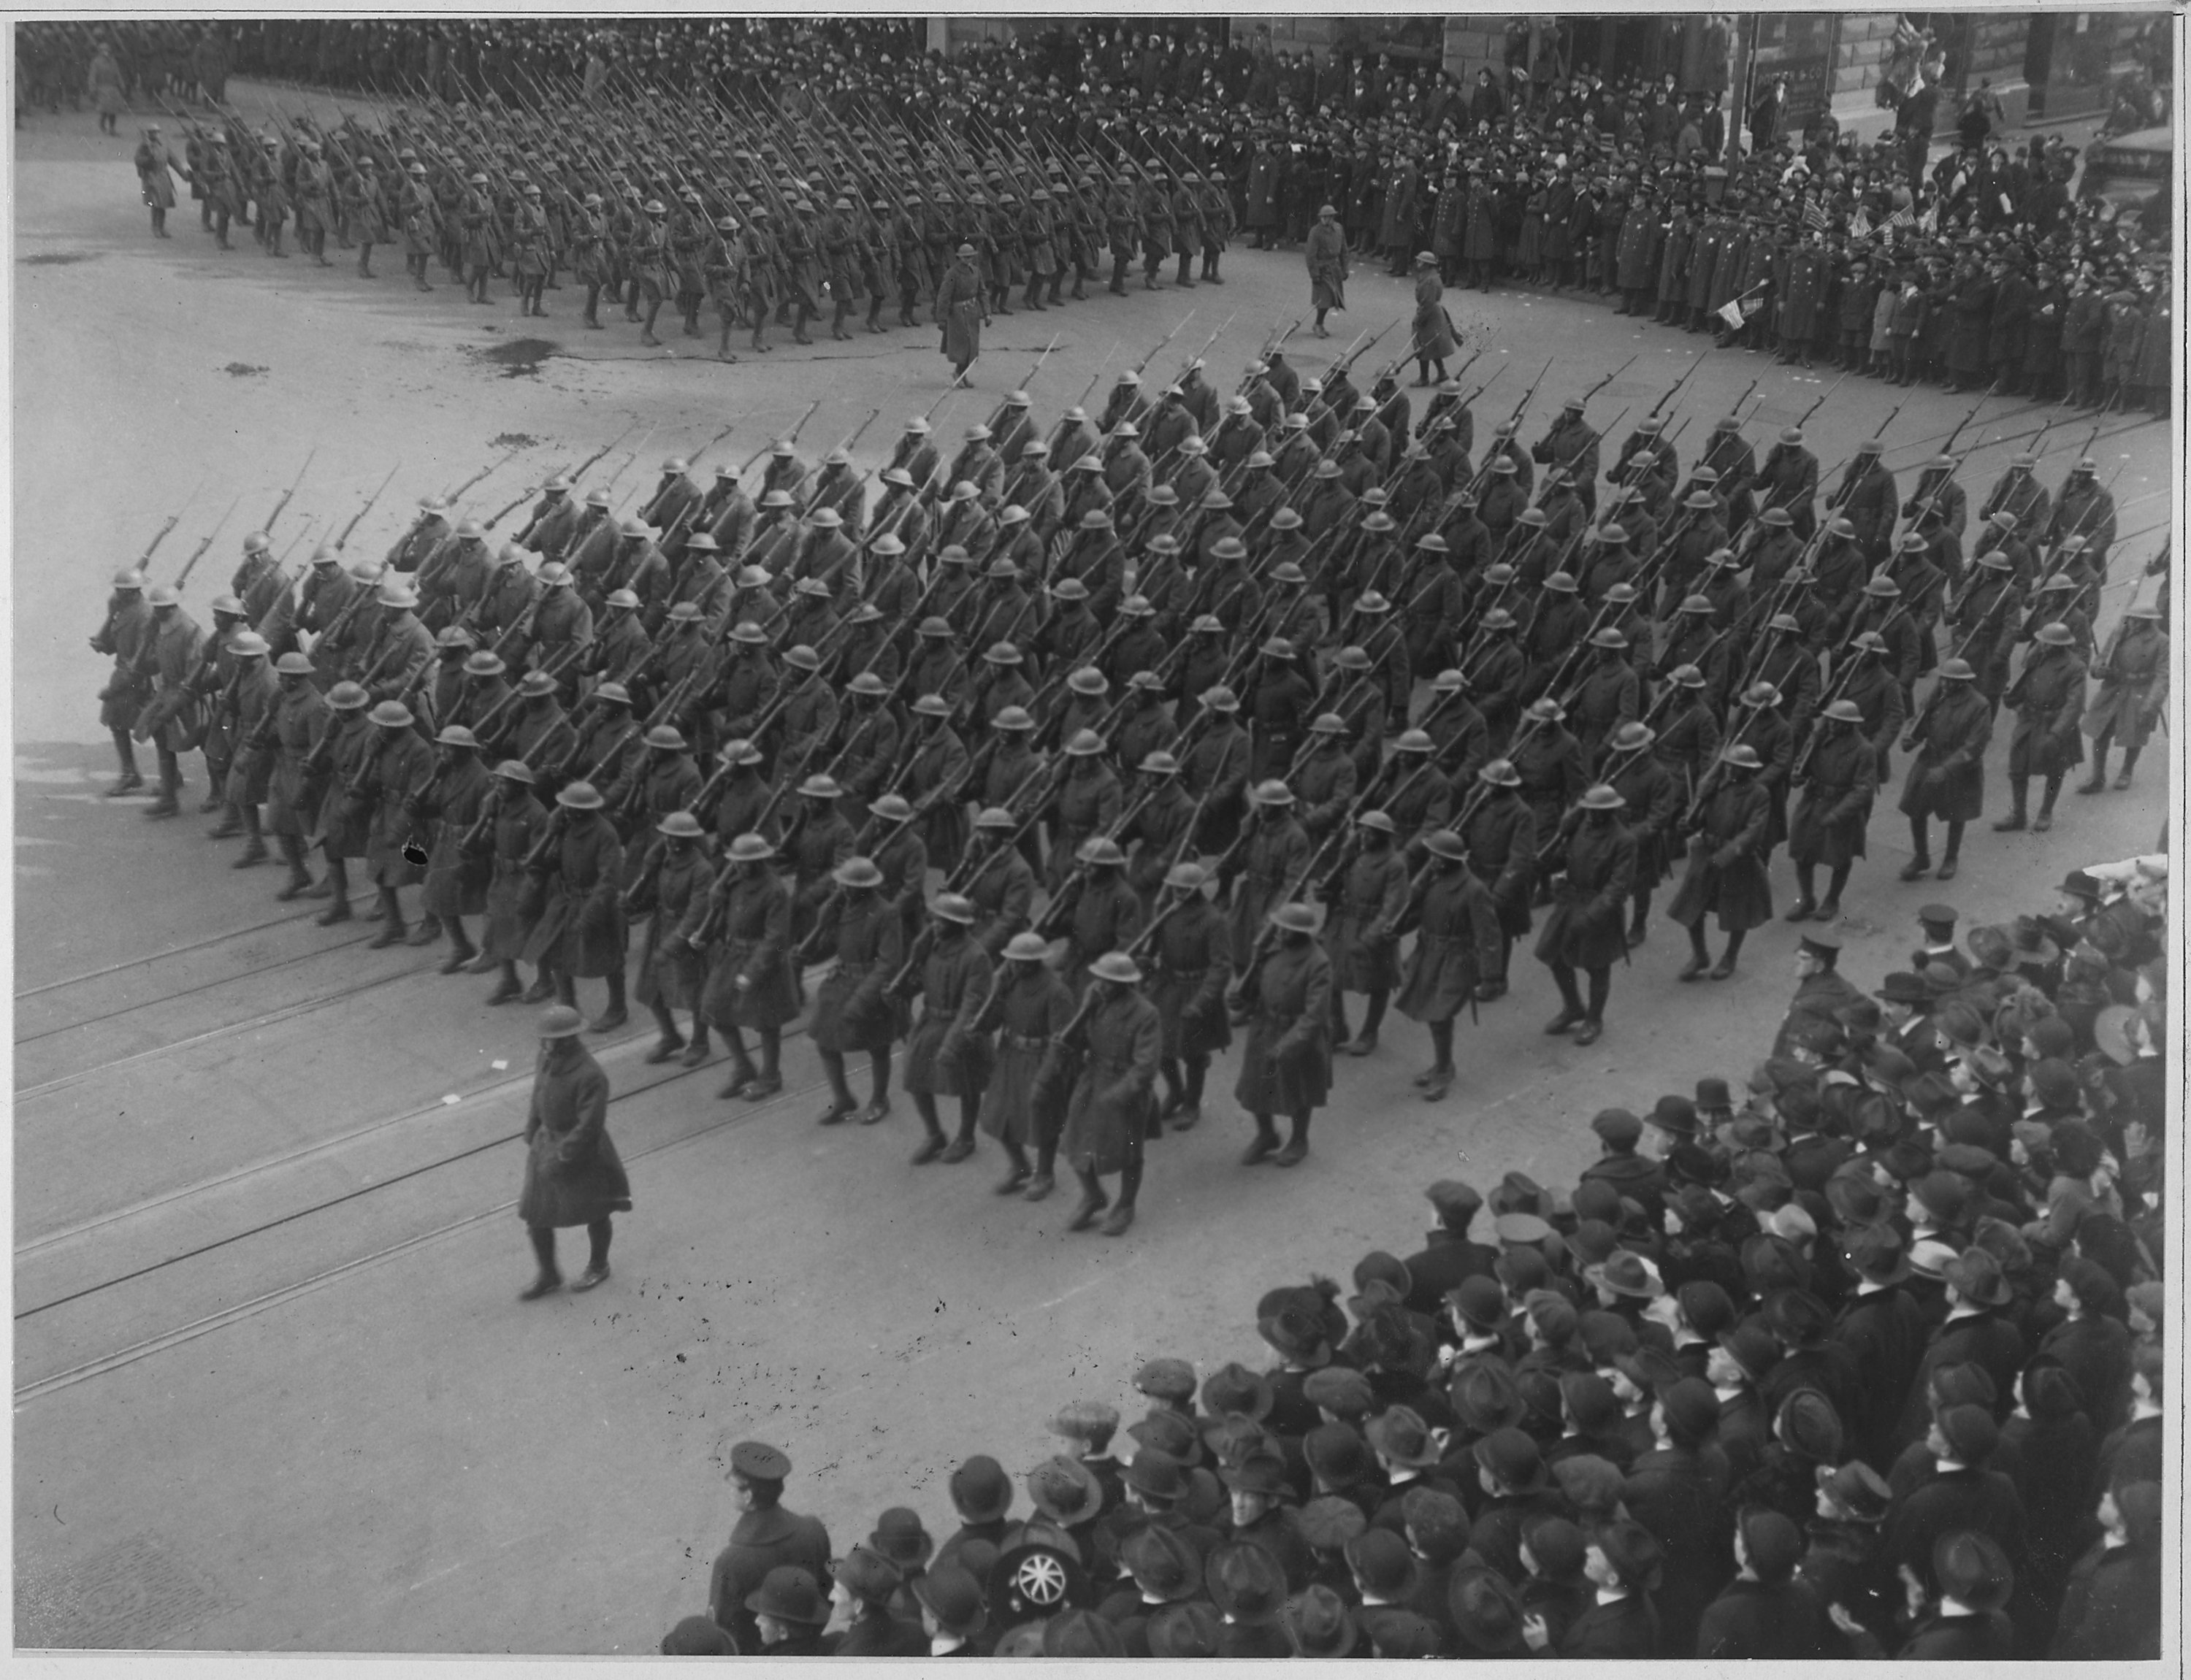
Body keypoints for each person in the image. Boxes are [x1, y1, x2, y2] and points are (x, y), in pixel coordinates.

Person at [516, 1002, 631, 1299]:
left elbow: (588, 1126)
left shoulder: (590, 1075)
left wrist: (562, 1156)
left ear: (566, 1040)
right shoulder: (545, 1057)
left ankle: (599, 1265)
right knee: (536, 1214)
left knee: (597, 1212)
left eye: (549, 1038)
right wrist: (532, 1128)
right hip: (547, 1143)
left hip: (582, 1153)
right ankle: (549, 1274)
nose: (543, 1043)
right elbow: (538, 1093)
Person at [1055, 948, 1161, 1235]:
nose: (1101, 985)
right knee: (1074, 1140)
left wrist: (1121, 1093)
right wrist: (1084, 1012)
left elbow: (1146, 1066)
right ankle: (1093, 1195)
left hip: (1126, 1088)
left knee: (1129, 1152)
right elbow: (1075, 1039)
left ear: (1125, 984)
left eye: (1109, 981)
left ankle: (1126, 1205)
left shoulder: (1145, 1014)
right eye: (1100, 979)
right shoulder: (1095, 998)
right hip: (1093, 1078)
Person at [1393, 829, 1501, 1101]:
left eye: (1438, 857)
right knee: (1433, 1013)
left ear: (1453, 860)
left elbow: (1488, 935)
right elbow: (1418, 913)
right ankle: (1443, 1064)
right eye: (1432, 855)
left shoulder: (1474, 890)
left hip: (1457, 959)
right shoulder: (1433, 880)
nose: (1432, 860)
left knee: (1440, 1015)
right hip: (1429, 953)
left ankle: (1444, 1070)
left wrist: (1490, 976)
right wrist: (1394, 930)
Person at [1231, 900, 1334, 1167]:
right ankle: (1266, 1135)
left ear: (1301, 933)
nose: (1279, 933)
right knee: (1255, 1085)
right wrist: (1242, 996)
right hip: (1266, 1025)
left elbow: (1315, 1015)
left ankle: (1299, 1139)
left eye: (1286, 930)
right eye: (1279, 928)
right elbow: (1258, 988)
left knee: (1299, 1090)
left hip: (1298, 1035)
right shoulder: (1272, 952)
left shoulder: (1318, 962)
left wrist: (1288, 1045)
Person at [706, 1441, 833, 1651]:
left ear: (748, 1496)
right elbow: (826, 1595)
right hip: (810, 1645)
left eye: (732, 1483)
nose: (728, 1487)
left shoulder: (731, 1561)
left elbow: (723, 1630)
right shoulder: (813, 1529)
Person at [1534, 785, 1634, 1046]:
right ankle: (1573, 1007)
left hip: (1600, 910)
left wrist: (1591, 917)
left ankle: (1594, 1019)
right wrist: (1544, 860)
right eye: (1589, 810)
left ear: (1611, 811)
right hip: (1571, 900)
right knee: (1554, 955)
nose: (1592, 815)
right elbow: (1564, 859)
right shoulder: (1580, 828)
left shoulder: (1623, 840)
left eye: (1598, 811)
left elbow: (1617, 888)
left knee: (1597, 967)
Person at [1897, 657, 1991, 882]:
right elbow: (1920, 719)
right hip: (1930, 757)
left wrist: (1946, 770)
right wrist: (1911, 738)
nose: (1946, 685)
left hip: (1960, 766)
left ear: (1964, 682)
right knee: (1915, 806)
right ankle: (1921, 857)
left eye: (1952, 682)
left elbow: (1974, 746)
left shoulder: (1979, 705)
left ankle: (1951, 858)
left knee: (1956, 814)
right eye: (1944, 680)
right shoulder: (1937, 696)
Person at [934, 242, 987, 384]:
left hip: (972, 313)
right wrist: (941, 318)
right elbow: (944, 296)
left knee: (972, 347)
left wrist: (987, 313)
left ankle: (963, 375)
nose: (968, 260)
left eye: (970, 257)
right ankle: (959, 374)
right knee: (961, 347)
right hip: (957, 314)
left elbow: (982, 292)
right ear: (959, 258)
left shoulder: (976, 271)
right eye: (965, 257)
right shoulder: (952, 273)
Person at [1306, 202, 1347, 337]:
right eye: (1323, 217)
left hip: (1334, 269)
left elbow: (1344, 251)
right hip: (1322, 269)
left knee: (1330, 300)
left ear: (1332, 217)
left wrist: (1345, 269)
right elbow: (1311, 255)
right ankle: (1318, 325)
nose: (1324, 219)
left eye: (1327, 217)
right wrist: (1314, 274)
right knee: (1323, 300)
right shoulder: (1316, 232)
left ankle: (1320, 324)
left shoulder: (1339, 229)